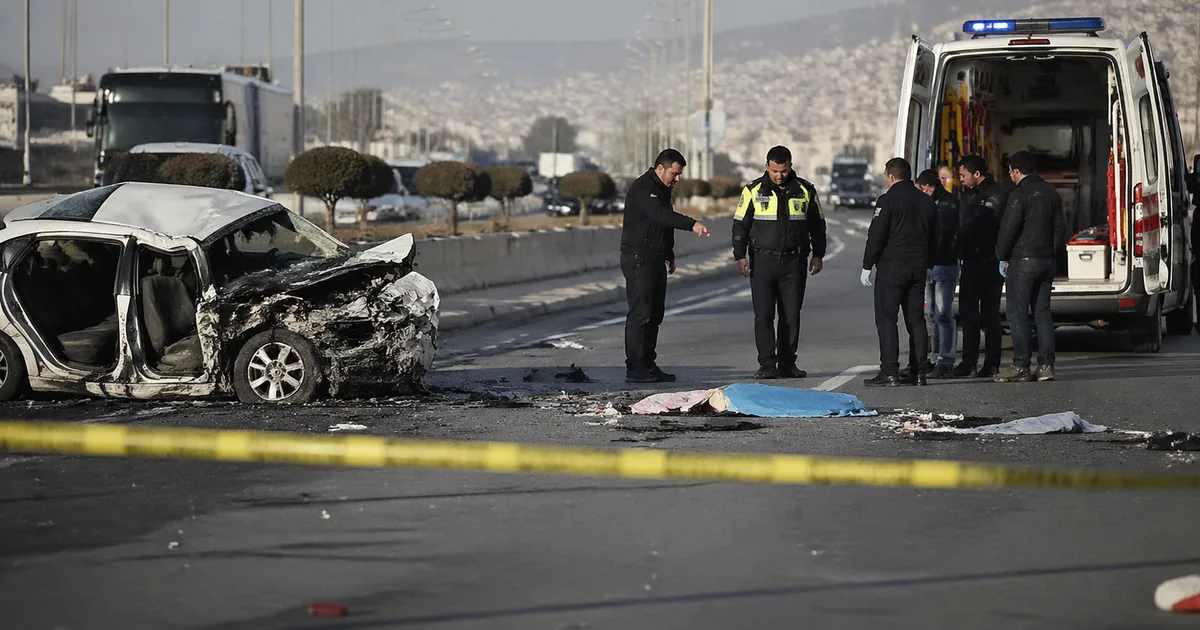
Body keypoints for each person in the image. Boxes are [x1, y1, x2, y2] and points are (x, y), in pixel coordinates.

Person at [732, 145, 827, 379]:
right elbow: (740, 225)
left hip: (794, 262)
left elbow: (818, 225)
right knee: (763, 315)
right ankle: (766, 364)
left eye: (783, 170)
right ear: (766, 166)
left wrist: (818, 254)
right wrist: (739, 255)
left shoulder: (806, 190)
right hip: (763, 261)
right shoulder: (753, 190)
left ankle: (787, 363)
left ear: (790, 166)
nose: (779, 175)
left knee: (791, 315)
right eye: (775, 170)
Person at [620, 148, 711, 383]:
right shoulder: (644, 188)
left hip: (656, 257)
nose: (677, 179)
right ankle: (635, 366)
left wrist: (669, 253)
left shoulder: (662, 190)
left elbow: (662, 226)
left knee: (654, 314)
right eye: (674, 173)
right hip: (639, 258)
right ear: (660, 168)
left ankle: (649, 364)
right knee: (641, 313)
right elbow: (659, 215)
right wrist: (692, 224)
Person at [861, 158, 937, 387]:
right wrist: (929, 263)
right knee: (916, 320)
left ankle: (890, 372)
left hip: (892, 269)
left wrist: (867, 265)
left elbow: (877, 234)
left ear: (891, 176)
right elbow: (935, 235)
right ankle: (919, 371)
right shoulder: (927, 201)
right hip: (918, 268)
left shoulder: (887, 200)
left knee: (887, 320)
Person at [995, 150, 1066, 383]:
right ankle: (1046, 366)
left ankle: (1021, 366)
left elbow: (1009, 228)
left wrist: (1002, 255)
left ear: (1016, 171)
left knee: (1017, 314)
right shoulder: (1051, 192)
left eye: (1011, 173)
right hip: (1046, 260)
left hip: (1023, 261)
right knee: (1042, 313)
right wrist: (1051, 253)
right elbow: (1059, 228)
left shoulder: (1019, 194)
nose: (1011, 177)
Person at [955, 154, 1009, 378]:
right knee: (968, 313)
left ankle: (992, 362)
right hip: (970, 261)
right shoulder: (969, 196)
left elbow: (1003, 229)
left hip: (990, 262)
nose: (961, 179)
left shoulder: (998, 195)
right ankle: (969, 361)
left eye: (963, 175)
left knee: (990, 314)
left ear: (976, 174)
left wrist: (1002, 257)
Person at [915, 168, 960, 379]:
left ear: (928, 187)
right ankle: (934, 358)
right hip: (930, 265)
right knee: (931, 314)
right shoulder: (933, 203)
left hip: (944, 264)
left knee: (943, 314)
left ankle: (946, 360)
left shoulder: (947, 204)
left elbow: (943, 235)